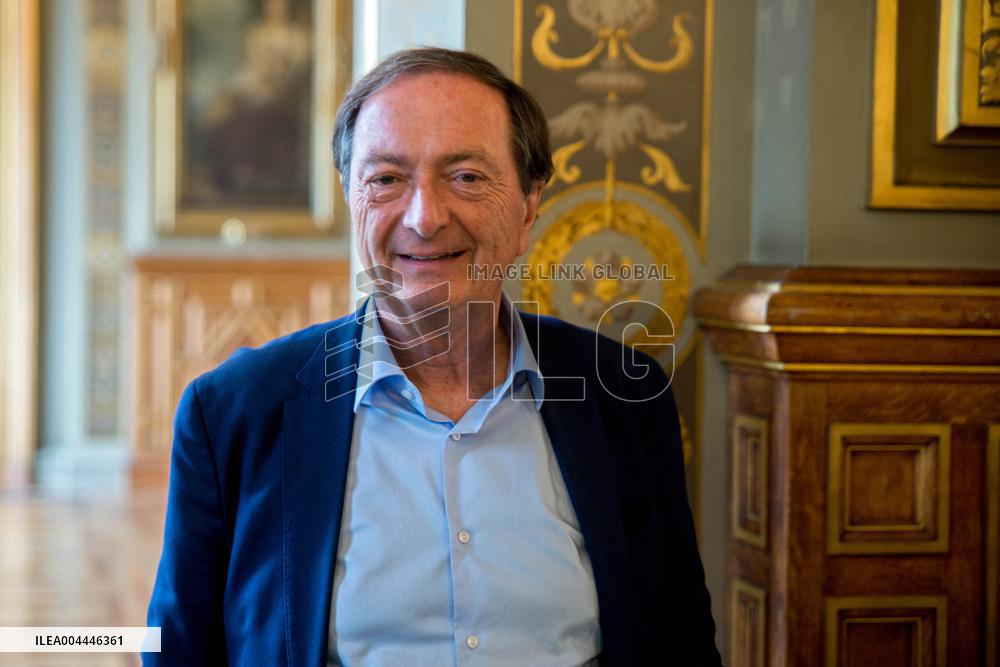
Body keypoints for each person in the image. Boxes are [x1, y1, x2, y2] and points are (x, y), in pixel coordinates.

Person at [146, 47, 721, 666]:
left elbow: (679, 641)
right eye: (387, 179)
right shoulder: (234, 412)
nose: (424, 217)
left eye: (467, 177)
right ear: (351, 199)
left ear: (529, 207)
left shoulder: (625, 396)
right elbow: (178, 650)